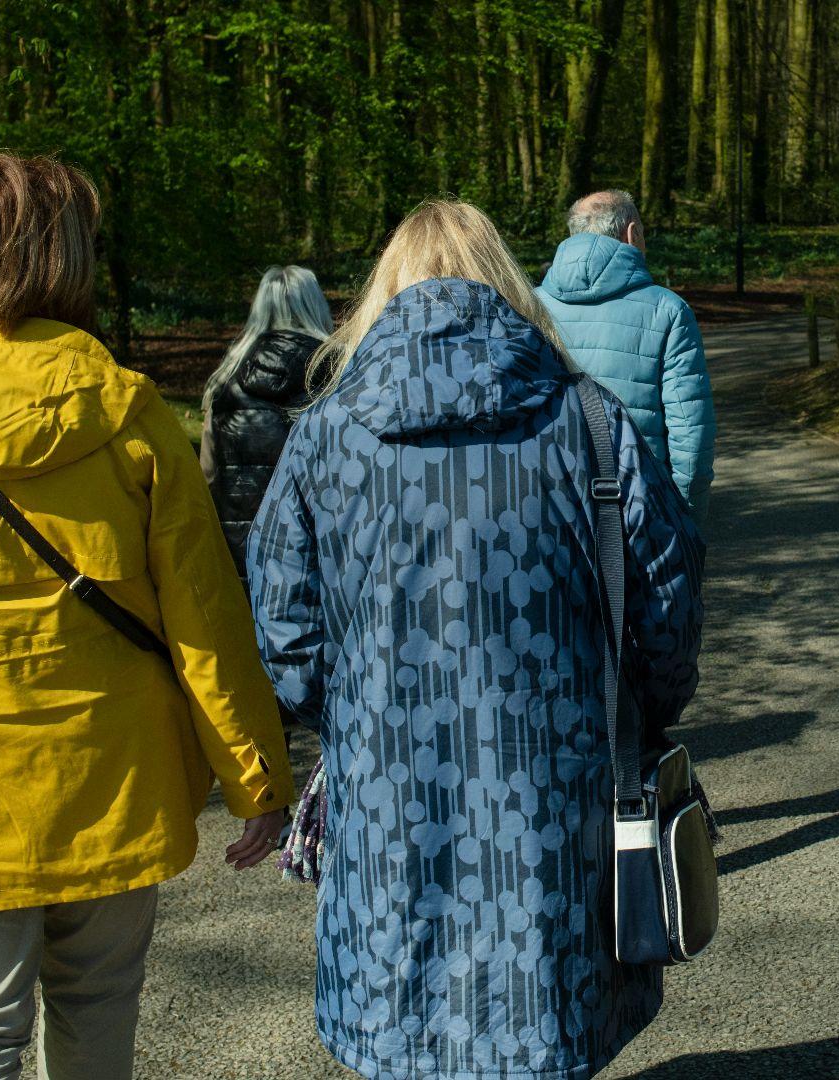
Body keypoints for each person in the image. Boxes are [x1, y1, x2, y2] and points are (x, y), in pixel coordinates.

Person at [0, 154, 292, 1080]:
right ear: (69, 261)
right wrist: (254, 774)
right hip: (106, 784)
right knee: (97, 1012)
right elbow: (206, 615)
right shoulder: (127, 411)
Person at [248, 198, 706, 1079]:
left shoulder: (325, 438)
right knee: (543, 1027)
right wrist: (634, 719)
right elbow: (667, 612)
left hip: (387, 802)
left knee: (406, 1030)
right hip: (554, 806)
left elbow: (287, 631)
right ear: (507, 284)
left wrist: (354, 718)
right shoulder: (592, 423)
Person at [536, 189, 716, 521]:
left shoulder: (529, 307)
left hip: (552, 507)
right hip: (643, 507)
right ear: (632, 233)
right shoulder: (668, 310)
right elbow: (690, 435)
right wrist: (687, 519)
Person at [200, 264, 332, 579]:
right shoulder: (340, 377)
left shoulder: (224, 385)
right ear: (317, 306)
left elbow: (205, 480)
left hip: (242, 563)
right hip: (323, 563)